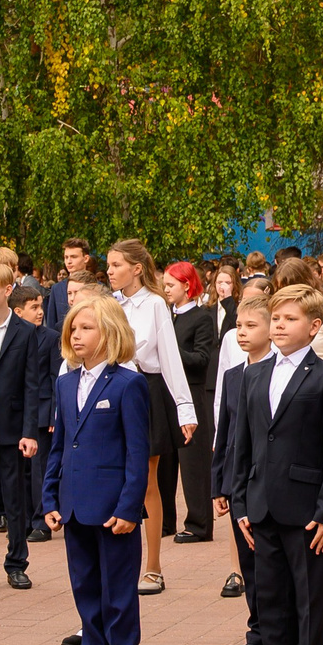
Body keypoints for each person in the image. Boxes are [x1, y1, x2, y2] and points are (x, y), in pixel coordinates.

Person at [230, 284, 323, 645]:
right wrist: (240, 500)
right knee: (271, 599)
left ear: (314, 326)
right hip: (261, 507)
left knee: (310, 600)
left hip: (306, 512)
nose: (280, 326)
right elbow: (242, 444)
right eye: (276, 319)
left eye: (290, 319)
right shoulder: (254, 375)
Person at [47, 297, 152, 645]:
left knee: (118, 593)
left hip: (113, 508)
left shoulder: (128, 383)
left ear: (110, 333)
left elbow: (136, 452)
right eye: (73, 328)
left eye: (86, 328)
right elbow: (59, 444)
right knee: (86, 589)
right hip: (75, 504)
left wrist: (128, 507)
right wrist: (50, 495)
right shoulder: (65, 382)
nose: (76, 335)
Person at [103, 239, 196, 598]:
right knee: (113, 478)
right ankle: (116, 563)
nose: (110, 271)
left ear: (136, 268)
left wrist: (185, 409)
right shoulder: (108, 304)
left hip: (145, 389)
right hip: (109, 391)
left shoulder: (156, 304)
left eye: (116, 265)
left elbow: (170, 357)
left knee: (146, 481)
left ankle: (153, 567)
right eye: (108, 265)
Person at [0, 261, 51, 593]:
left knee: (15, 498)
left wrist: (30, 431)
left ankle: (17, 563)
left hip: (14, 427)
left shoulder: (26, 332)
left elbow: (32, 384)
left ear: (7, 291)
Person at [211, 292, 276, 645]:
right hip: (238, 480)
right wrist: (219, 483)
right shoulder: (235, 375)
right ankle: (257, 630)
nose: (242, 332)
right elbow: (226, 430)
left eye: (252, 325)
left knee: (269, 561)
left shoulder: (277, 372)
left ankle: (276, 632)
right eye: (238, 325)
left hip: (266, 478)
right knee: (249, 563)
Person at [164, 262, 220, 548]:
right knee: (165, 460)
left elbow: (201, 359)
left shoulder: (201, 317)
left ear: (187, 286)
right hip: (168, 395)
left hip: (194, 393)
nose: (166, 290)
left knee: (194, 463)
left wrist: (171, 350)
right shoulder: (167, 317)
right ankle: (164, 520)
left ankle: (199, 523)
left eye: (170, 285)